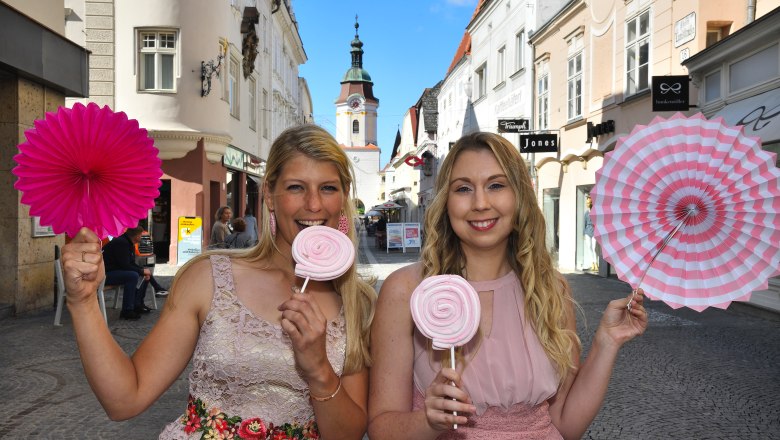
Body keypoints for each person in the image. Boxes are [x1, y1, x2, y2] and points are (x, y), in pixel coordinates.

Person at [61, 124, 377, 439]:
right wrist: (83, 302)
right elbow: (125, 399)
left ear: (343, 196)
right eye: (296, 187)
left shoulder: (357, 303)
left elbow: (347, 435)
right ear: (269, 195)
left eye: (328, 188)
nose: (314, 204)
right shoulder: (209, 278)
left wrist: (319, 370)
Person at [368, 132, 647, 439]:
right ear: (446, 201)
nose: (480, 203)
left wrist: (606, 342)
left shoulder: (550, 289)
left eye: (496, 185)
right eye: (463, 188)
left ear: (519, 196)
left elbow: (566, 425)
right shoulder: (408, 290)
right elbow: (381, 428)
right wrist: (428, 421)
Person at [102, 226, 151, 320]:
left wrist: (143, 271)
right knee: (132, 276)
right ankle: (127, 311)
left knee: (143, 274)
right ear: (136, 236)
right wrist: (141, 271)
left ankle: (137, 305)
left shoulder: (128, 242)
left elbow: (130, 263)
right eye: (141, 235)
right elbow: (125, 265)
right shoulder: (122, 243)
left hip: (114, 271)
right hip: (105, 274)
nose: (141, 237)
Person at [583, 194, 597, 271]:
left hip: (594, 231)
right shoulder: (586, 213)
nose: (587, 204)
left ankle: (595, 263)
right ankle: (592, 263)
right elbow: (584, 223)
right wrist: (583, 233)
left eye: (588, 203)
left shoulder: (595, 212)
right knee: (589, 247)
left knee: (594, 248)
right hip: (587, 231)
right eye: (586, 203)